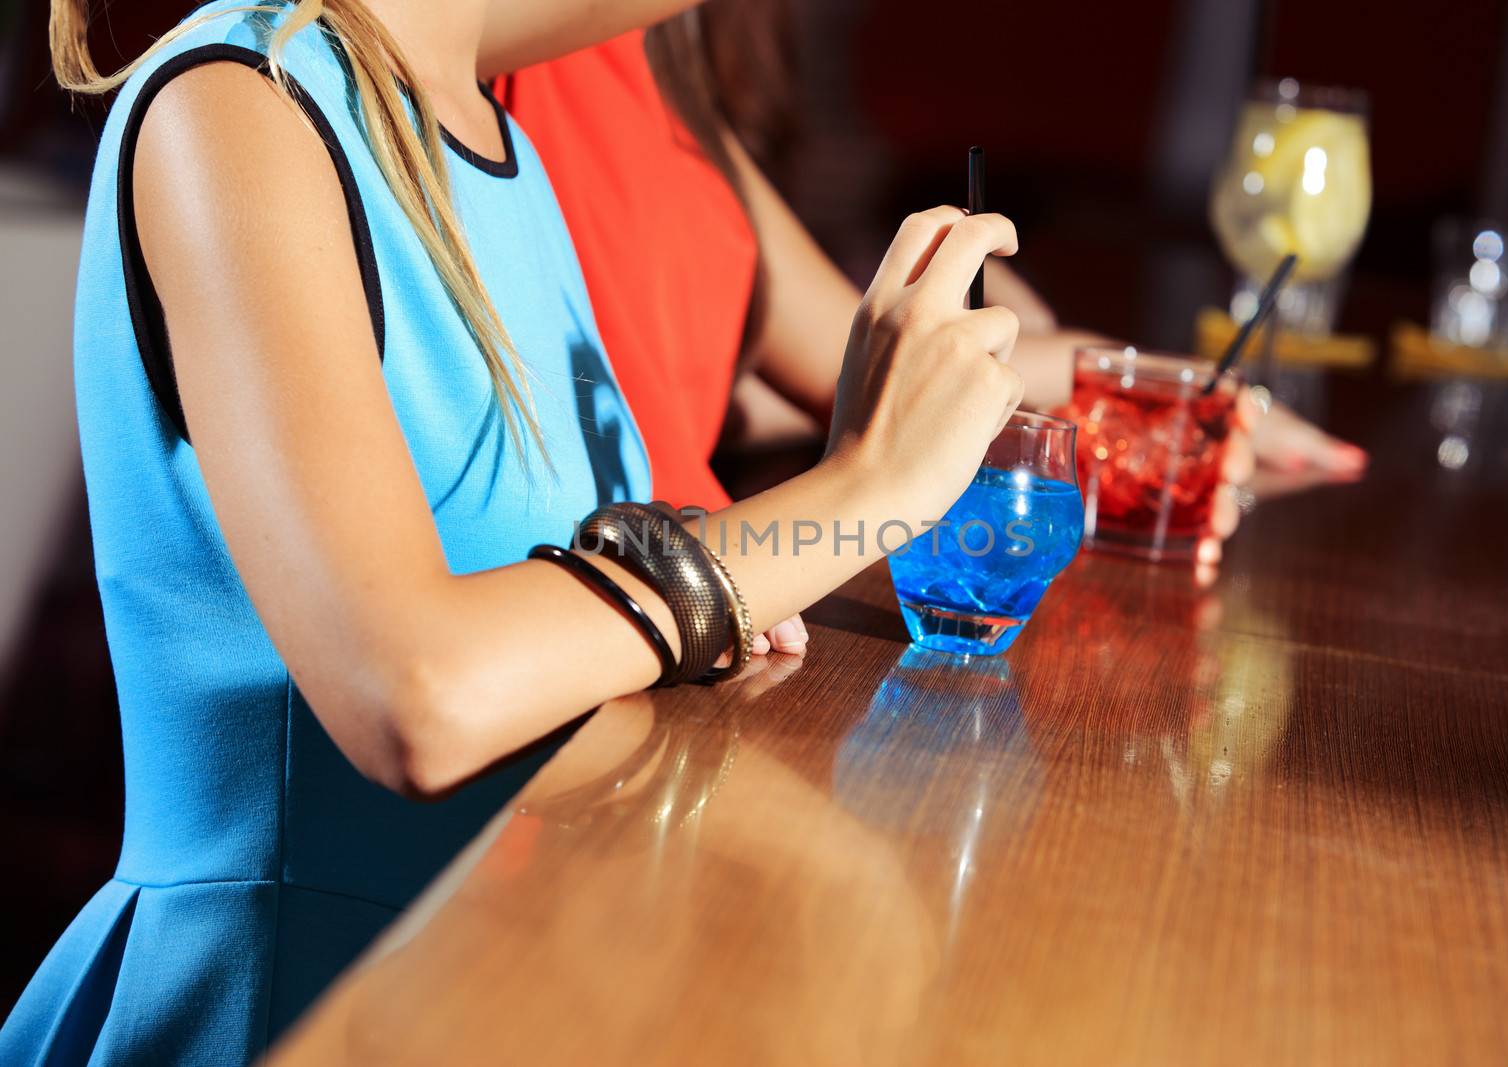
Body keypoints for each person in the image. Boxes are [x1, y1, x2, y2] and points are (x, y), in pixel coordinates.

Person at [2, 0, 1032, 1061]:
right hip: (280, 1006)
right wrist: (862, 487)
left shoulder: (502, 155)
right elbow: (416, 692)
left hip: (481, 984)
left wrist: (692, 599)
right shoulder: (238, 100)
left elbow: (571, 614)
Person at [500, 9, 1366, 556]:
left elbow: (854, 353)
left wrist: (1130, 387)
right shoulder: (503, 55)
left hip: (743, 608)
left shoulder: (659, 76)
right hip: (647, 614)